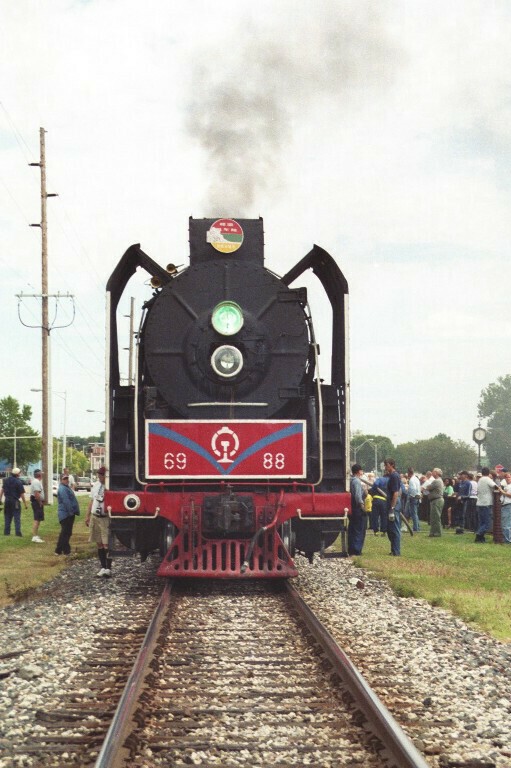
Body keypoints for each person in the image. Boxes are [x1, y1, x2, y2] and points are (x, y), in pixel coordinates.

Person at [85, 467, 112, 577]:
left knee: (106, 544)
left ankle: (108, 568)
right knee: (99, 543)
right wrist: (87, 516)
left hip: (105, 517)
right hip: (95, 516)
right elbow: (92, 501)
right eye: (99, 475)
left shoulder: (110, 486)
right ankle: (103, 567)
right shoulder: (95, 486)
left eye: (102, 475)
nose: (100, 477)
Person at [55, 473, 80, 555]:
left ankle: (61, 550)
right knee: (65, 533)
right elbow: (66, 501)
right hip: (66, 514)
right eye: (64, 479)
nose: (66, 480)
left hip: (67, 513)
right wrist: (70, 512)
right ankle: (63, 550)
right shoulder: (62, 489)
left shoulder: (66, 488)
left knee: (66, 532)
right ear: (61, 480)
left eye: (67, 478)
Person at [0, 467, 28, 537]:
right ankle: (18, 533)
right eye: (20, 473)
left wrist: (0, 499)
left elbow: (2, 491)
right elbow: (22, 494)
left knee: (7, 516)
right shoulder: (18, 482)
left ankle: (6, 532)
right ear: (17, 474)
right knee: (17, 517)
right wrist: (25, 504)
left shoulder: (6, 480)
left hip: (7, 501)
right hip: (15, 501)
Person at [475, 467, 498, 543]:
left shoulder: (480, 480)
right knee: (487, 523)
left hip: (479, 503)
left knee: (482, 522)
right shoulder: (488, 479)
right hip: (486, 503)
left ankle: (480, 538)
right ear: (489, 473)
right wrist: (501, 490)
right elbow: (495, 486)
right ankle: (479, 534)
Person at [384, 458, 401, 556]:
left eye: (386, 465)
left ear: (392, 465)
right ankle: (394, 550)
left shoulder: (394, 476)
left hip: (394, 503)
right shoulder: (392, 476)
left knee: (395, 528)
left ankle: (396, 551)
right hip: (392, 503)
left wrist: (392, 508)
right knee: (391, 529)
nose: (385, 467)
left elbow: (395, 493)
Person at [30, 468, 45, 543]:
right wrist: (39, 502)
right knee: (37, 519)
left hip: (37, 501)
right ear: (39, 474)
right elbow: (36, 494)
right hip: (36, 502)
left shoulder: (37, 481)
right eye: (41, 473)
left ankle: (36, 535)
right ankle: (34, 536)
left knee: (38, 519)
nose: (42, 475)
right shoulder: (36, 482)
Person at [428, 468, 444, 537]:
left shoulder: (437, 481)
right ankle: (433, 532)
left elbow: (429, 487)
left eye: (433, 471)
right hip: (435, 500)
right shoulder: (438, 480)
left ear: (436, 473)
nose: (432, 472)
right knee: (433, 517)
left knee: (436, 517)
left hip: (437, 500)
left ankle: (437, 532)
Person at [406, 468, 421, 532]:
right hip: (417, 497)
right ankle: (418, 527)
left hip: (413, 497)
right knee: (415, 513)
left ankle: (415, 528)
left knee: (413, 514)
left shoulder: (411, 480)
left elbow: (413, 489)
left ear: (409, 473)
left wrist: (411, 496)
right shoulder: (416, 479)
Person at [500, 472, 511, 544]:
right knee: (508, 524)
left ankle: (507, 541)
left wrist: (502, 492)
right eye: (506, 477)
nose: (507, 478)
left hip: (508, 505)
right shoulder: (506, 486)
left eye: (509, 477)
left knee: (505, 524)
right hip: (505, 505)